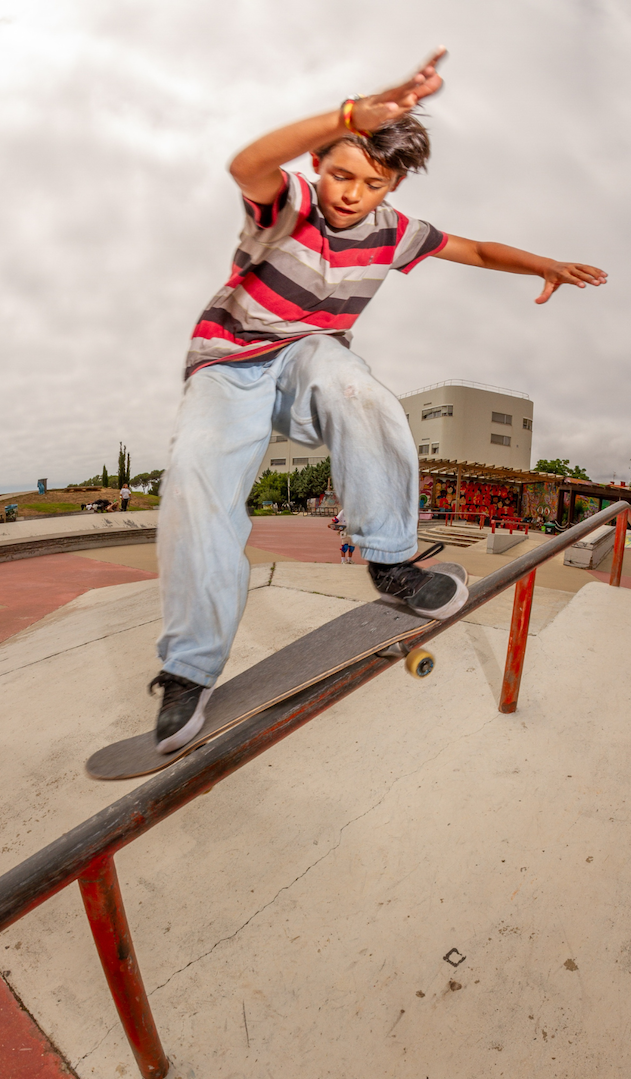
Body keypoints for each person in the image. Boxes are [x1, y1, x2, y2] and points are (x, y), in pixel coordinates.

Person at [151, 48, 607, 753]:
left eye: (370, 183)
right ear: (318, 168)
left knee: (362, 392)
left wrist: (542, 263)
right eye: (339, 173)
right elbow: (247, 165)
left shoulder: (395, 234)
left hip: (309, 361)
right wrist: (347, 117)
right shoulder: (289, 206)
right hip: (228, 367)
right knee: (195, 482)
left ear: (390, 186)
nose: (349, 194)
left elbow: (478, 250)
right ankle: (188, 671)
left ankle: (391, 561)